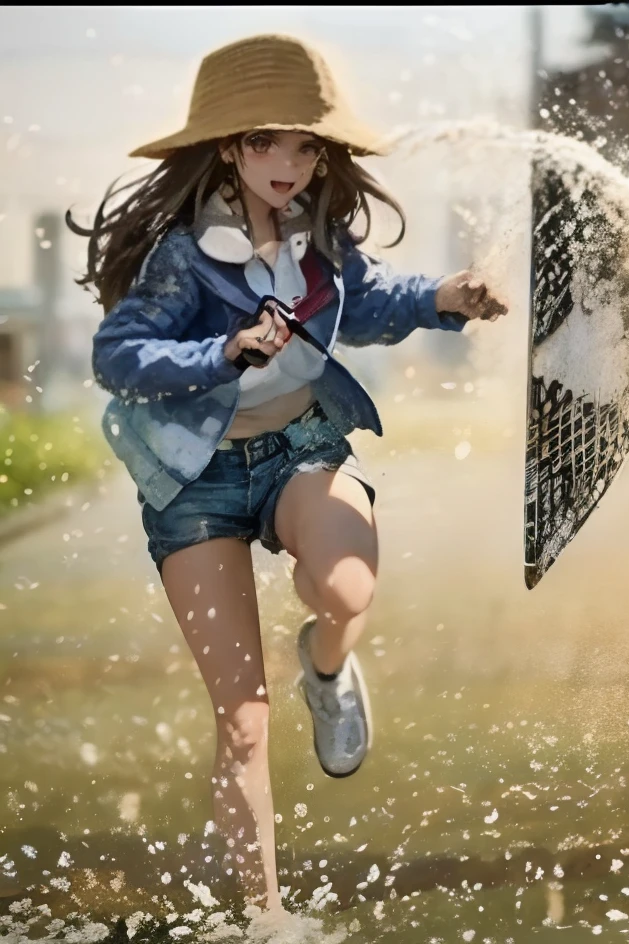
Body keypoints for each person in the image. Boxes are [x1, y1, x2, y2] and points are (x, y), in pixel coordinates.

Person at [68, 34, 507, 914]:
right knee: (242, 719)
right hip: (195, 486)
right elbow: (119, 355)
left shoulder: (319, 238)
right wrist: (221, 348)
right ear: (230, 145)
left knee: (345, 588)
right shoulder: (182, 255)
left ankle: (328, 665)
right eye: (270, 142)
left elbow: (372, 303)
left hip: (300, 448)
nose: (292, 163)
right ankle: (264, 918)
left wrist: (442, 298)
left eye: (308, 146)